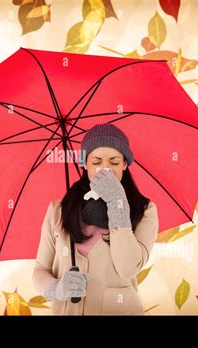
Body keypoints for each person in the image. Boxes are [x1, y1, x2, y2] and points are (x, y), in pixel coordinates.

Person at [32, 123, 159, 315]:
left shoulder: (144, 210)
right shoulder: (58, 210)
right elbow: (40, 270)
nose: (105, 169)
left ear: (125, 164)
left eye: (114, 162)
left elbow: (127, 268)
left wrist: (118, 204)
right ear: (84, 164)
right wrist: (57, 289)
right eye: (97, 161)